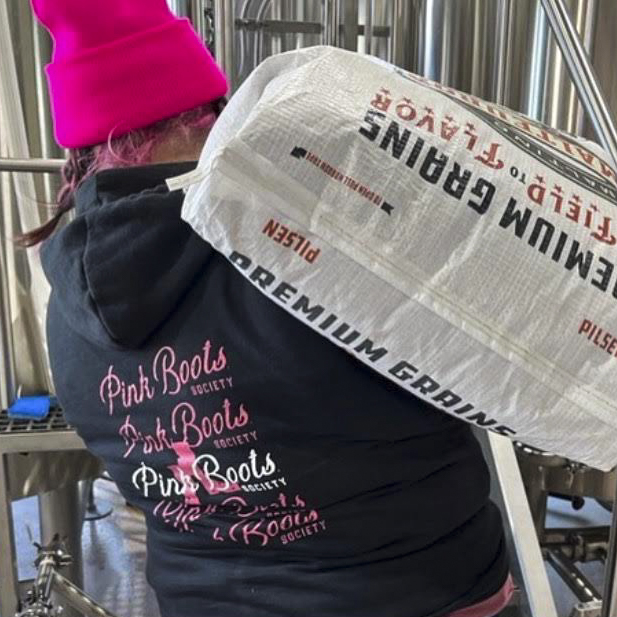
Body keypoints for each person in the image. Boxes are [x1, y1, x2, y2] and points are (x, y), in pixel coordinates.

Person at [26, 1, 514, 616]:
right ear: (195, 123)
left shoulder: (63, 316)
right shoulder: (304, 246)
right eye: (214, 110)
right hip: (422, 591)